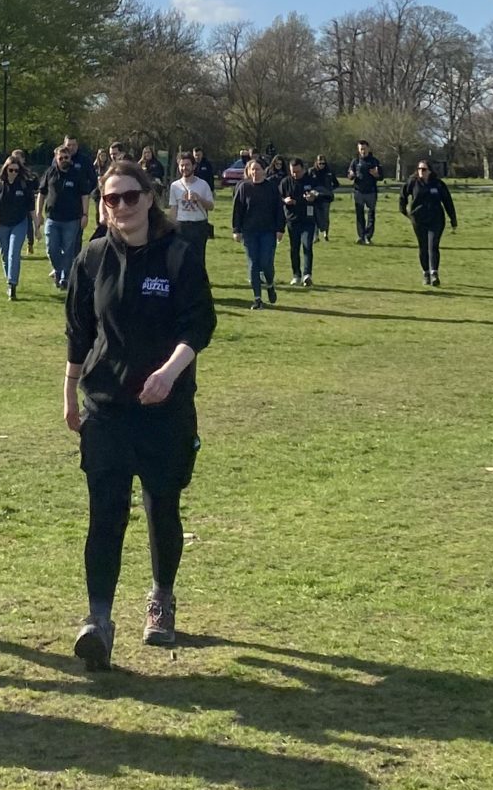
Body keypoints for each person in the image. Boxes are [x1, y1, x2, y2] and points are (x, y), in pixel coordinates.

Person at [62, 158, 217, 666]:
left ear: (150, 198)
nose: (123, 206)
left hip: (164, 409)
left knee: (161, 506)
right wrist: (69, 392)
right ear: (103, 205)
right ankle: (98, 621)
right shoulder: (92, 258)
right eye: (113, 198)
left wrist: (169, 374)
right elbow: (79, 332)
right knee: (105, 513)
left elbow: (199, 325)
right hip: (105, 406)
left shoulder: (178, 255)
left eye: (132, 196)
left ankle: (161, 598)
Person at [230, 154, 284, 309]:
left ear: (264, 171)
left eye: (258, 169)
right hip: (249, 232)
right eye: (252, 169)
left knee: (266, 263)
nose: (255, 172)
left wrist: (280, 229)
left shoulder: (271, 188)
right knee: (253, 263)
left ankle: (270, 284)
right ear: (248, 171)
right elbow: (237, 210)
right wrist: (236, 230)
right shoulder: (243, 188)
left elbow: (279, 209)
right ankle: (258, 298)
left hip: (268, 231)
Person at [39, 135, 93, 288]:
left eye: (66, 157)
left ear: (70, 158)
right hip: (52, 218)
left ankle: (65, 278)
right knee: (51, 249)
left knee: (69, 250)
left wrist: (85, 214)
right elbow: (41, 193)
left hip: (72, 219)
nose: (64, 160)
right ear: (56, 159)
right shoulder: (50, 173)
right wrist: (38, 213)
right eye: (60, 158)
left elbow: (85, 195)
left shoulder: (77, 174)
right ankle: (58, 270)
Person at [0, 150, 39, 300]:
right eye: (11, 170)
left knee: (14, 253)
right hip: (1, 224)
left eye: (16, 170)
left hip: (19, 223)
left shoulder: (24, 184)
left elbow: (31, 208)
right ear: (6, 169)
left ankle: (12, 284)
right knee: (5, 254)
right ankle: (10, 278)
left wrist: (37, 228)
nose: (13, 173)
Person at [399, 160, 457, 287]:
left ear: (430, 171)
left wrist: (453, 219)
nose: (421, 171)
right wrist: (404, 210)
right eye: (419, 169)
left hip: (436, 220)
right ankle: (426, 273)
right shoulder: (413, 182)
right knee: (423, 246)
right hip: (419, 220)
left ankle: (434, 273)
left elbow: (447, 201)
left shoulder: (438, 184)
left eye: (424, 169)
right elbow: (403, 195)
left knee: (433, 246)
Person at [166, 149, 215, 264]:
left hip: (198, 225)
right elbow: (174, 208)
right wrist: (170, 227)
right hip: (182, 226)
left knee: (198, 259)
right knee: (182, 258)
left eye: (187, 165)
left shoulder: (203, 184)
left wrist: (199, 199)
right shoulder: (175, 186)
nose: (184, 168)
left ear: (194, 166)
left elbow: (211, 206)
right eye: (182, 165)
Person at [281, 156, 319, 289]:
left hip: (308, 219)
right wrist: (285, 201)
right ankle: (296, 275)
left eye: (297, 171)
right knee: (294, 248)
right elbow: (278, 197)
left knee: (307, 245)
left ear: (303, 169)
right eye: (293, 172)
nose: (295, 174)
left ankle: (307, 275)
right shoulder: (285, 182)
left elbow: (319, 193)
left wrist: (313, 196)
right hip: (292, 220)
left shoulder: (310, 180)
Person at [349, 140, 383, 244]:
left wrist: (376, 174)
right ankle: (361, 236)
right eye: (361, 149)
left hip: (371, 192)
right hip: (358, 192)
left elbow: (381, 176)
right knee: (359, 215)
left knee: (371, 215)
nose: (363, 151)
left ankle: (368, 236)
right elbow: (350, 175)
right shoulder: (355, 161)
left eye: (364, 149)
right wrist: (351, 175)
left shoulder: (374, 162)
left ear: (368, 148)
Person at [305, 151, 339, 243]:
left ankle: (325, 234)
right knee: (314, 216)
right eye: (320, 163)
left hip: (325, 198)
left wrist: (329, 190)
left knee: (325, 216)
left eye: (323, 163)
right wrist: (310, 192)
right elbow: (306, 183)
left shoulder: (329, 172)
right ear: (316, 162)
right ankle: (315, 236)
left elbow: (336, 184)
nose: (321, 165)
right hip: (314, 197)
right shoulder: (311, 171)